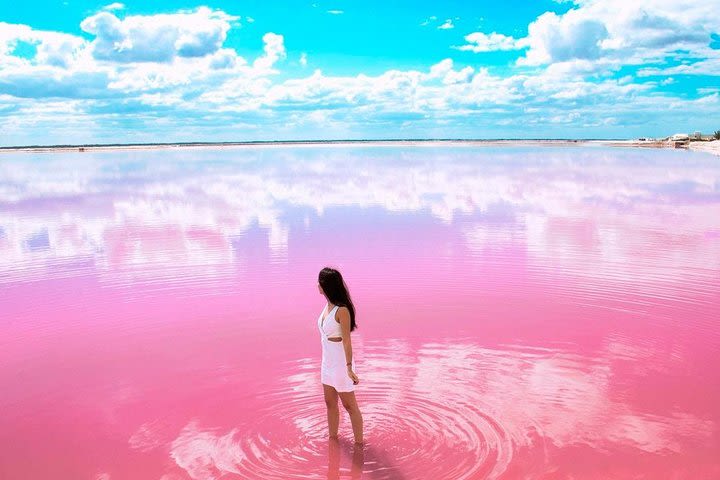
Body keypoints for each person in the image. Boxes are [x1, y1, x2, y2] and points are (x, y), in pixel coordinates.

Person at [317, 267, 364, 445]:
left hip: (340, 364)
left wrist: (349, 367)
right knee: (329, 403)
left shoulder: (341, 310)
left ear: (325, 285)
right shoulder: (327, 306)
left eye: (319, 281)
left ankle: (359, 444)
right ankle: (333, 440)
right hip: (327, 364)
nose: (316, 285)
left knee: (349, 405)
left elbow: (346, 341)